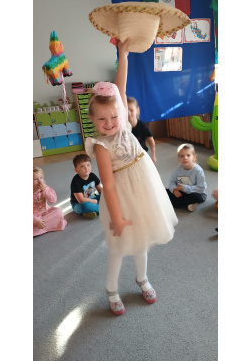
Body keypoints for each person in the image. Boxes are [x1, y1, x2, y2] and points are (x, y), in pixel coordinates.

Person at [84, 38, 177, 316]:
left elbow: (120, 85)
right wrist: (116, 217)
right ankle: (111, 289)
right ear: (93, 120)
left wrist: (122, 53)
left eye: (113, 116)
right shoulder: (101, 146)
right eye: (102, 119)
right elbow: (109, 186)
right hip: (122, 199)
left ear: (122, 112)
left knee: (142, 239)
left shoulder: (124, 121)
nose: (109, 123)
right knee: (119, 247)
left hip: (144, 188)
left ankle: (142, 279)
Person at [165, 143, 208, 212]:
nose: (185, 158)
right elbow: (172, 182)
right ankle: (186, 203)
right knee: (164, 191)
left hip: (196, 193)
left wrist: (184, 188)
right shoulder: (177, 170)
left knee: (196, 197)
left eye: (188, 155)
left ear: (194, 158)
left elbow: (201, 188)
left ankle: (174, 203)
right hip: (182, 192)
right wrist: (174, 190)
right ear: (178, 158)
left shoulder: (198, 170)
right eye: (182, 156)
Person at [33, 166, 67, 237]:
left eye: (41, 178)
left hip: (45, 212)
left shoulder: (46, 188)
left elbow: (53, 200)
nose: (40, 181)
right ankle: (45, 226)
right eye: (35, 179)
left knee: (58, 211)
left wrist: (45, 190)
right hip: (34, 216)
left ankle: (40, 228)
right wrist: (36, 220)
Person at [70, 153, 103, 220]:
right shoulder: (75, 181)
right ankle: (103, 209)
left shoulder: (92, 176)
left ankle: (91, 211)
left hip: (94, 198)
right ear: (76, 170)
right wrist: (94, 201)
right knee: (85, 206)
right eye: (82, 166)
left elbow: (100, 190)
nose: (86, 168)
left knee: (106, 196)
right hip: (78, 204)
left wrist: (107, 196)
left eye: (88, 165)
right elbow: (81, 200)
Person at [127, 97, 157, 164]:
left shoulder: (143, 126)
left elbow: (151, 140)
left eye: (131, 110)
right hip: (129, 156)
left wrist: (153, 155)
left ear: (137, 110)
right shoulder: (123, 128)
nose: (128, 113)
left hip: (141, 155)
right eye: (126, 110)